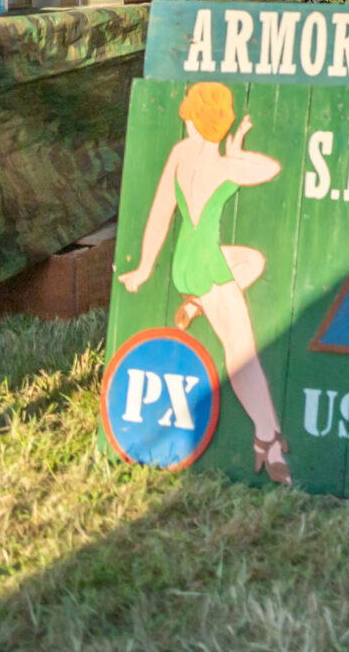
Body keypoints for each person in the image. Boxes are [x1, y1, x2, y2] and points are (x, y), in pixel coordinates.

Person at [119, 81, 290, 484]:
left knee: (252, 261)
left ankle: (195, 303)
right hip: (207, 267)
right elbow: (271, 168)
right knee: (242, 352)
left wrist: (145, 267)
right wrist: (237, 151)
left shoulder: (180, 153)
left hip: (187, 262)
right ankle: (268, 438)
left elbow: (161, 213)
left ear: (194, 116)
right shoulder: (226, 166)